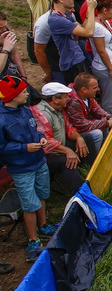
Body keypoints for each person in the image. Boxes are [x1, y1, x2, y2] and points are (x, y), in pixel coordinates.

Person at [0, 75, 57, 262]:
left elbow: (33, 129)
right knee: (29, 202)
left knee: (41, 194)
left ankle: (44, 225)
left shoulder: (24, 110)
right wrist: (24, 148)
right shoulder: (2, 119)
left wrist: (39, 137)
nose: (27, 94)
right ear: (13, 96)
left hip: (38, 160)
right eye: (23, 91)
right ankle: (33, 239)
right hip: (21, 167)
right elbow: (2, 147)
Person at [31, 82, 93, 196]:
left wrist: (79, 138)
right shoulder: (41, 114)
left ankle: (90, 174)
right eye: (65, 96)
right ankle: (81, 196)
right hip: (45, 155)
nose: (68, 99)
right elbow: (46, 141)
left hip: (59, 146)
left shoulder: (59, 109)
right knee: (65, 161)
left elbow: (68, 127)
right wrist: (67, 151)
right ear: (55, 99)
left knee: (87, 138)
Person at [48, 0, 97, 85]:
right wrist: (91, 9)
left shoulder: (66, 14)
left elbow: (83, 28)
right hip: (71, 64)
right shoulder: (56, 20)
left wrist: (88, 10)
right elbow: (89, 32)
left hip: (77, 59)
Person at [65, 72, 112, 154]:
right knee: (97, 133)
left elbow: (96, 108)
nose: (98, 89)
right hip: (75, 132)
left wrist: (108, 117)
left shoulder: (87, 96)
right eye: (95, 87)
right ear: (84, 90)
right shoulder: (73, 102)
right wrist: (106, 123)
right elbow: (82, 125)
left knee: (104, 125)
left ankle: (105, 152)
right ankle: (93, 158)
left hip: (85, 123)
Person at [89, 0, 112, 115]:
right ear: (104, 10)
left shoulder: (106, 22)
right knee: (110, 99)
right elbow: (101, 50)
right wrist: (110, 68)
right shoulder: (97, 27)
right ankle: (109, 123)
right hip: (105, 66)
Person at [0, 12, 27, 80]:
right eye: (1, 28)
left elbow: (14, 53)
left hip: (8, 70)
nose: (4, 30)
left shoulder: (4, 31)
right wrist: (5, 49)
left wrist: (23, 76)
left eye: (5, 26)